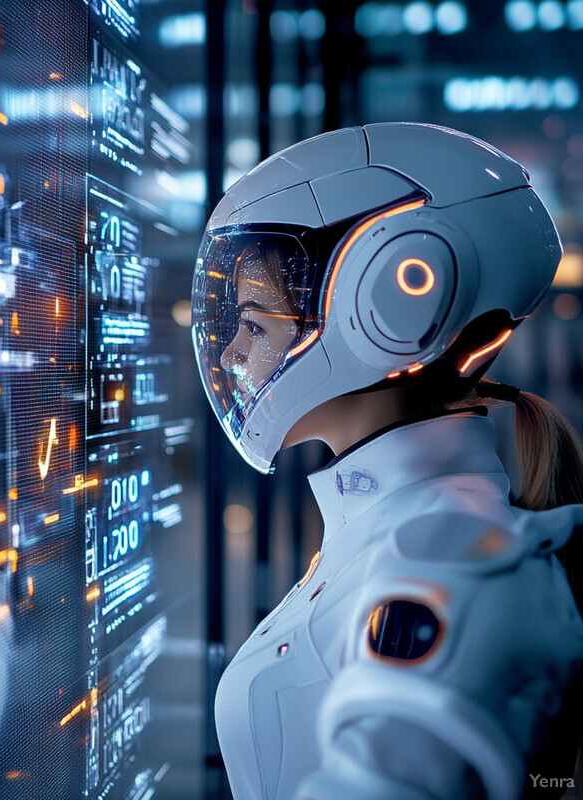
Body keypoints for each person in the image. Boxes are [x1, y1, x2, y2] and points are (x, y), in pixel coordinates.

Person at [191, 122, 583, 800]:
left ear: (397, 299)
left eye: (254, 323)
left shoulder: (456, 570)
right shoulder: (397, 526)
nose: (230, 355)